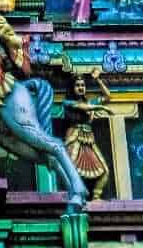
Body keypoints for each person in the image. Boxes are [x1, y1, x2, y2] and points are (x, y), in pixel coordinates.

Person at [63, 71, 112, 201]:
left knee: (104, 171)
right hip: (75, 137)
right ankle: (76, 195)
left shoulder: (91, 102)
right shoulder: (68, 103)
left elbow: (108, 96)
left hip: (88, 139)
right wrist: (103, 108)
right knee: (71, 168)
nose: (81, 88)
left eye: (83, 85)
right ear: (72, 88)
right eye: (77, 85)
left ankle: (96, 196)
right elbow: (85, 107)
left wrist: (98, 80)